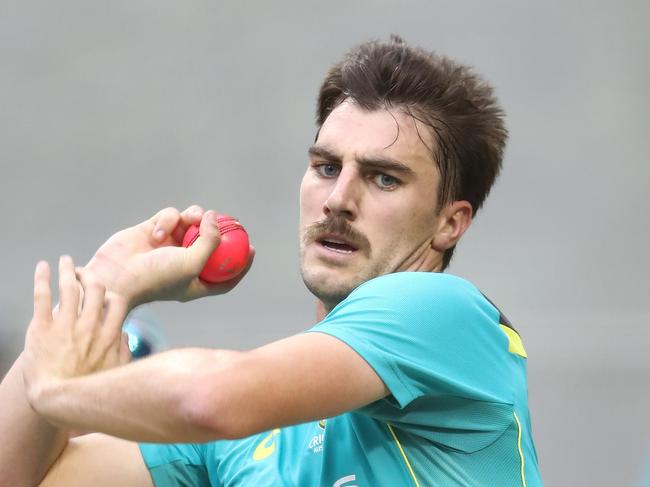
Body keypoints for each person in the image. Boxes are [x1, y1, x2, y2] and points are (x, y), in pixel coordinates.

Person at [0, 36, 542, 486]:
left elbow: (210, 398)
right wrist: (106, 286)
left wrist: (58, 391)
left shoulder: (442, 311)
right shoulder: (252, 436)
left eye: (383, 178)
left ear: (451, 222)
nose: (338, 198)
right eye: (327, 167)